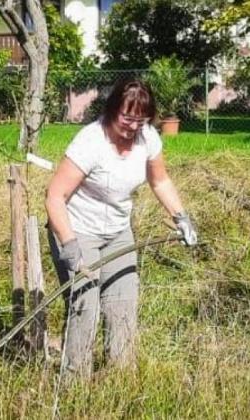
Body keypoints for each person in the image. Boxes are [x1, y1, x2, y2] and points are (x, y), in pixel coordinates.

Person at [45, 79, 198, 378]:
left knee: (122, 306)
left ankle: (120, 379)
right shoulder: (91, 142)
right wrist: (70, 245)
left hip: (117, 233)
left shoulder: (147, 138)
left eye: (141, 120)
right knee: (85, 308)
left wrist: (181, 217)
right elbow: (54, 196)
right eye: (127, 118)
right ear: (112, 109)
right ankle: (74, 384)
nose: (133, 127)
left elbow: (160, 181)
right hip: (77, 230)